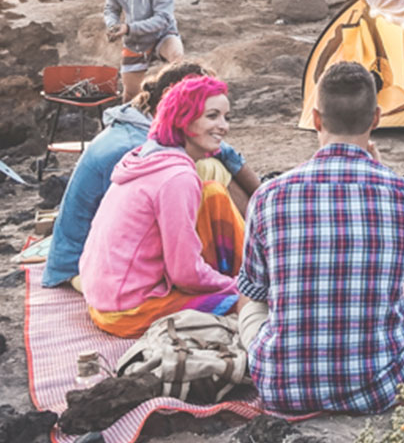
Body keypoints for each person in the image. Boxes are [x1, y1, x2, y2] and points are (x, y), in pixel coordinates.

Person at [236, 62, 404, 413]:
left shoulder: (269, 196)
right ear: (376, 118)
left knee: (250, 303)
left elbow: (255, 288)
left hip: (281, 388)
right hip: (378, 387)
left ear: (315, 119)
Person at [42, 61, 260, 289]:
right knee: (198, 180)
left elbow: (219, 149)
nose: (222, 125)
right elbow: (123, 236)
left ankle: (258, 242)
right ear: (172, 97)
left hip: (117, 264)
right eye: (209, 111)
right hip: (87, 267)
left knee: (211, 168)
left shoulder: (147, 129)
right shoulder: (133, 148)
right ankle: (252, 260)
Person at [79, 76, 245, 337]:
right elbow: (185, 274)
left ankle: (244, 276)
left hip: (103, 299)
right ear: (184, 118)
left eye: (226, 117)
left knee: (214, 193)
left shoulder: (146, 157)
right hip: (129, 311)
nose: (223, 126)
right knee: (249, 302)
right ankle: (247, 281)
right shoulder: (176, 178)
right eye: (212, 116)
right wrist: (235, 288)